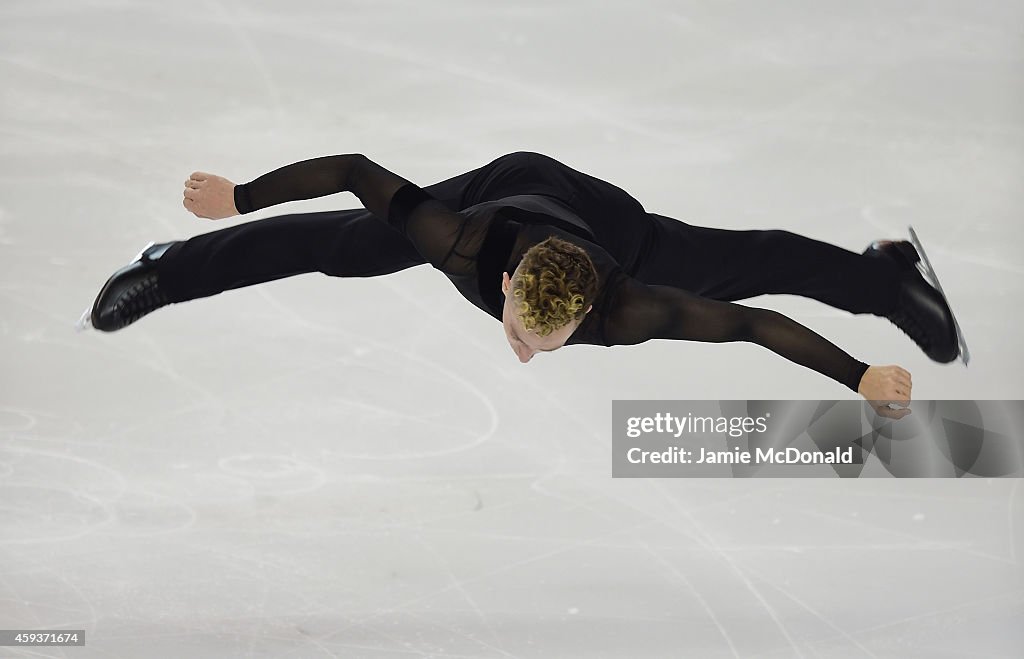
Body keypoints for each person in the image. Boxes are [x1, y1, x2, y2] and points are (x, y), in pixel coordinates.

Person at [81, 151, 961, 419]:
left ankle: (884, 277)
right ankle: (171, 268)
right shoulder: (455, 241)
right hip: (507, 187)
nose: (528, 356)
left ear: (591, 310)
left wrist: (857, 377)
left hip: (608, 221)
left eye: (551, 342)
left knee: (747, 258)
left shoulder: (633, 303)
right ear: (503, 286)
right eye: (523, 333)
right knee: (345, 243)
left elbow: (754, 321)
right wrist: (240, 197)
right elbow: (352, 168)